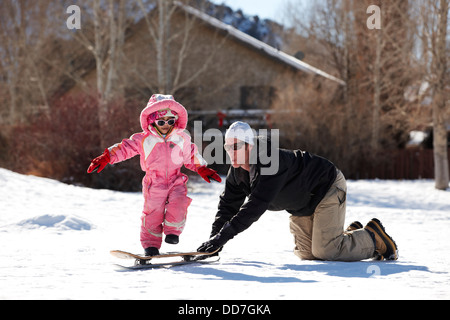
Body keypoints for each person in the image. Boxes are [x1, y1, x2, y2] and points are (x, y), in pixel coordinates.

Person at [197, 121, 398, 261]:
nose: (230, 152)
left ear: (249, 146)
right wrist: (215, 241)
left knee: (326, 252)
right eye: (226, 146)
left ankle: (373, 237)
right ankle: (349, 237)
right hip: (302, 205)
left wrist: (223, 237)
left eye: (236, 146)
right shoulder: (237, 172)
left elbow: (256, 205)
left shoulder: (270, 161)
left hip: (326, 187)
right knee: (307, 254)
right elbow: (227, 206)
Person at [88, 94, 221, 256]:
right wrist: (107, 157)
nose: (166, 125)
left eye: (171, 121)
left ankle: (172, 232)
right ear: (152, 121)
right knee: (153, 214)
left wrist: (202, 168)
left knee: (179, 204)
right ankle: (151, 245)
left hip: (176, 180)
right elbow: (124, 148)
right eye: (161, 121)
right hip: (154, 183)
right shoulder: (144, 139)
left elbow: (191, 155)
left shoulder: (182, 138)